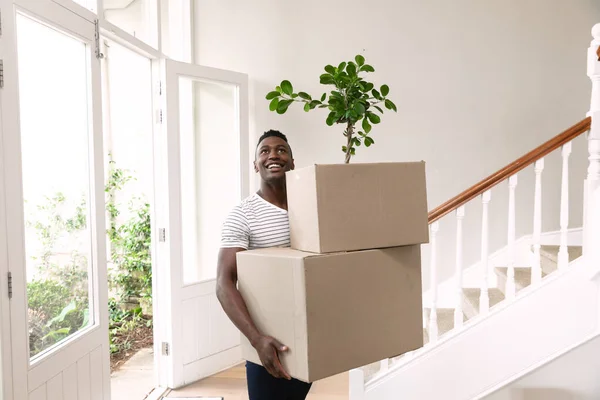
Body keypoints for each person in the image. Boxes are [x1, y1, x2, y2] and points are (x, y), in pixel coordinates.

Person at [215, 130, 312, 399]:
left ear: (292, 162)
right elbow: (224, 283)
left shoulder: (311, 207)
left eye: (281, 150)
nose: (273, 155)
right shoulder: (243, 214)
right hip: (268, 341)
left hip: (308, 333)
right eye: (265, 151)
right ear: (256, 165)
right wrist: (256, 339)